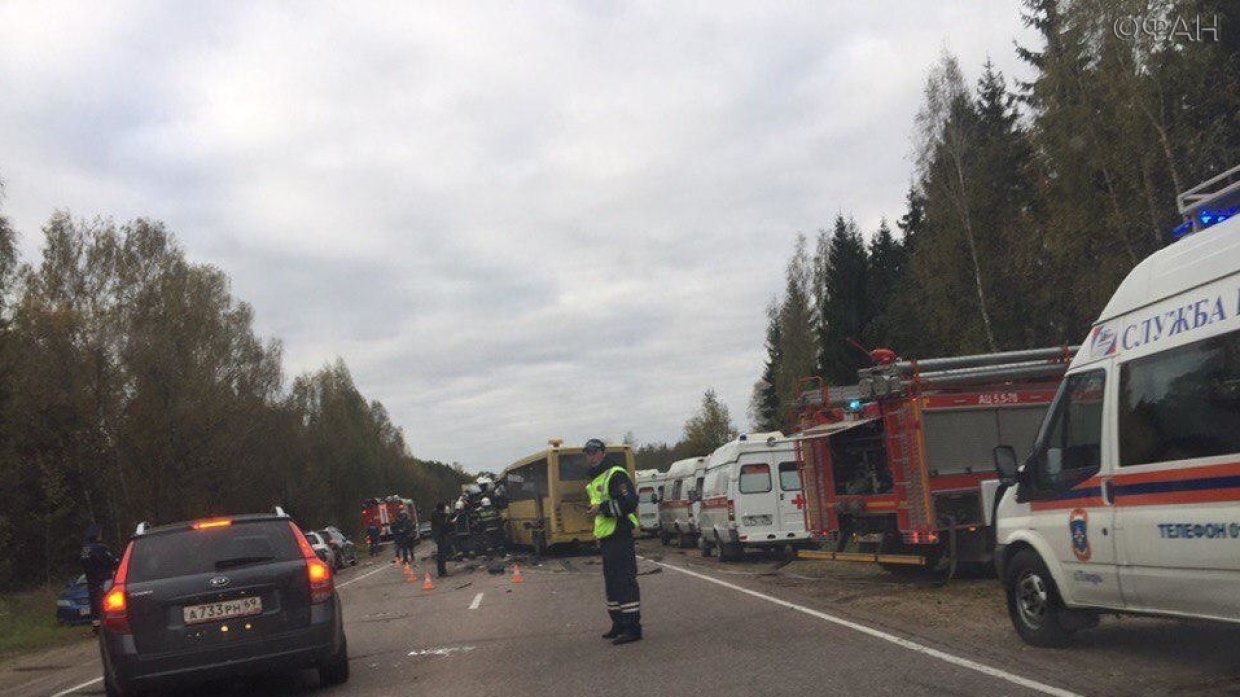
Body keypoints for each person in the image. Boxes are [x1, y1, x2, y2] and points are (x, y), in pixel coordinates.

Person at [584, 438, 642, 645]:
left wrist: (602, 508)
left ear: (602, 453)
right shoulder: (594, 479)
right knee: (612, 583)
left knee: (624, 581)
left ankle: (633, 627)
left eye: (593, 452)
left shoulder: (615, 474)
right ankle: (618, 624)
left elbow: (629, 503)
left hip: (620, 535)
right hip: (608, 537)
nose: (589, 456)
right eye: (587, 453)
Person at [79, 524, 118, 631]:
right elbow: (111, 561)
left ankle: (96, 625)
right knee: (107, 601)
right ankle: (109, 623)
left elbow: (84, 564)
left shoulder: (85, 549)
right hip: (104, 579)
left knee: (94, 602)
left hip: (91, 581)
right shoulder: (100, 548)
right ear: (97, 535)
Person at [430, 502, 452, 577]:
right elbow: (443, 524)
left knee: (442, 554)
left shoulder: (436, 513)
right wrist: (447, 518)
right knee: (441, 555)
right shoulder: (437, 515)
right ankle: (442, 572)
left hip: (440, 536)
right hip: (440, 536)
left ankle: (442, 572)